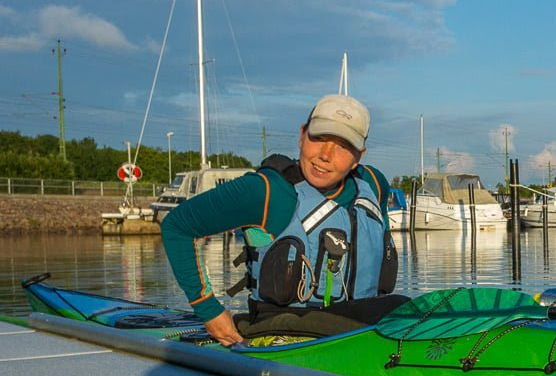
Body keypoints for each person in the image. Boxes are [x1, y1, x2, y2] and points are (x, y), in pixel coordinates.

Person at [161, 94, 404, 346]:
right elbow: (176, 226)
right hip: (284, 327)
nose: (326, 155)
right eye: (318, 138)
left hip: (362, 323)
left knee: (404, 308)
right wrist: (209, 311)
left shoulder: (374, 185)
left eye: (343, 146)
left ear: (359, 156)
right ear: (302, 135)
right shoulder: (268, 191)